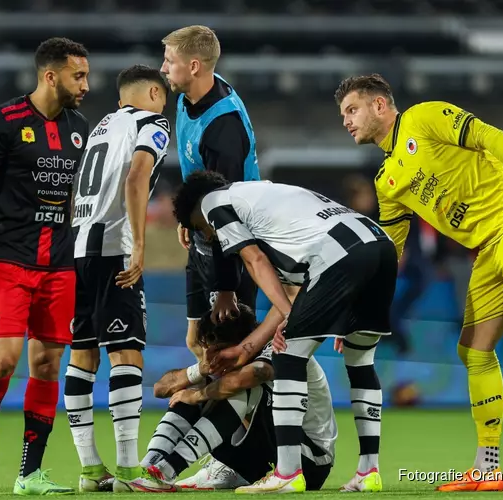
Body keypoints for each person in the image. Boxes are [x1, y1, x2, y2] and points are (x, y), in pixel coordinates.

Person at [334, 73, 503, 491]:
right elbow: (392, 250)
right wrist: (360, 308)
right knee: (473, 351)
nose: (346, 121)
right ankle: (487, 467)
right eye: (343, 115)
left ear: (380, 106)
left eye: (352, 110)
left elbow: (487, 136)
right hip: (487, 249)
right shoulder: (387, 180)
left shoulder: (423, 118)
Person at [173, 171, 396, 493]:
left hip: (336, 254)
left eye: (202, 231)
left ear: (195, 215)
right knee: (360, 362)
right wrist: (249, 347)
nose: (210, 237)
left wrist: (292, 317)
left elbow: (254, 259)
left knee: (288, 357)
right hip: (378, 244)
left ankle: (288, 474)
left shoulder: (211, 204)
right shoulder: (265, 203)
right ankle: (368, 471)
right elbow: (289, 295)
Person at [0, 37, 90, 495]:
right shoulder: (4, 121)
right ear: (51, 76)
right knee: (5, 360)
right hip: (9, 257)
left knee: (47, 365)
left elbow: (73, 199)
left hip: (60, 264)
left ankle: (29, 474)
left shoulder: (80, 128)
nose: (85, 84)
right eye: (78, 75)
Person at [62, 64, 171, 492]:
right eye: (162, 94)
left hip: (79, 246)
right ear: (150, 93)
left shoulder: (101, 127)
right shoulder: (152, 122)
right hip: (114, 248)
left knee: (83, 354)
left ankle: (91, 470)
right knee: (126, 352)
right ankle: (128, 471)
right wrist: (139, 244)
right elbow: (137, 176)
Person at [160, 23, 262, 482]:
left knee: (232, 356)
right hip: (203, 236)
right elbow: (196, 179)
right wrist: (187, 220)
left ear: (194, 66)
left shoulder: (225, 126)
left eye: (169, 60)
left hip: (238, 249)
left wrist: (225, 289)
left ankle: (229, 461)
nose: (164, 67)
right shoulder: (185, 99)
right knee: (196, 345)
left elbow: (229, 214)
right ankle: (201, 451)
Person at [131, 304, 336, 493]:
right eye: (207, 347)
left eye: (219, 349)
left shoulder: (275, 342)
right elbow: (160, 389)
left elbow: (259, 372)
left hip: (309, 459)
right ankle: (148, 468)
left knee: (236, 387)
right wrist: (200, 370)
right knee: (200, 385)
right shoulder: (218, 360)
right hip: (267, 450)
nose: (211, 355)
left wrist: (198, 396)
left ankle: (167, 471)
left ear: (242, 342)